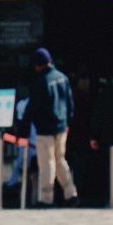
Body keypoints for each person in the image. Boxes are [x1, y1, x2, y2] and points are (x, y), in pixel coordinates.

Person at [20, 47, 78, 205]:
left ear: (38, 64)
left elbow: (32, 108)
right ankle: (71, 193)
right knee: (60, 160)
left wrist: (23, 130)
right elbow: (70, 103)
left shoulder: (40, 82)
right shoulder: (63, 78)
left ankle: (46, 198)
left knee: (47, 163)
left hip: (45, 129)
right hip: (62, 128)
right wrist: (68, 123)